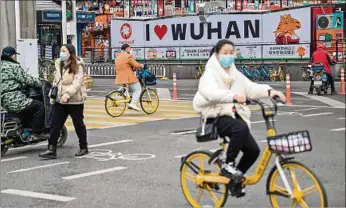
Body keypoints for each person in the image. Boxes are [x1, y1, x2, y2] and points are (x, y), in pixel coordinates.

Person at [193, 39, 286, 197]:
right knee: (240, 128)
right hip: (215, 115)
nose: (229, 56)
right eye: (225, 53)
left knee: (253, 151)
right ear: (217, 55)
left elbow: (251, 88)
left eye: (231, 52)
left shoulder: (235, 74)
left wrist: (270, 92)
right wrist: (233, 96)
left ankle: (234, 180)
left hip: (233, 115)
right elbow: (210, 92)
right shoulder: (210, 73)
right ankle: (228, 165)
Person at [39, 44, 88, 159]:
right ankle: (51, 149)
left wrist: (67, 94)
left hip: (74, 101)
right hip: (60, 100)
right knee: (55, 125)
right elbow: (57, 81)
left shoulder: (78, 66)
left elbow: (77, 83)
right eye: (60, 51)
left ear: (70, 53)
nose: (61, 53)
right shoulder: (59, 64)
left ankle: (83, 147)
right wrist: (53, 94)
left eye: (64, 51)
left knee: (78, 124)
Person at [0, 46, 46, 140]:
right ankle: (37, 132)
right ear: (12, 56)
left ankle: (24, 128)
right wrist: (40, 82)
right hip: (14, 100)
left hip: (3, 102)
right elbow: (27, 79)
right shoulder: (14, 66)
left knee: (28, 107)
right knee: (39, 106)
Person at [115, 44, 144, 111]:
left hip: (120, 76)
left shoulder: (118, 56)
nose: (130, 50)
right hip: (128, 76)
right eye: (129, 49)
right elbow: (135, 64)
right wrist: (141, 65)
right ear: (127, 49)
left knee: (126, 88)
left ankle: (122, 95)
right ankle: (133, 104)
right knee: (137, 89)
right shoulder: (128, 56)